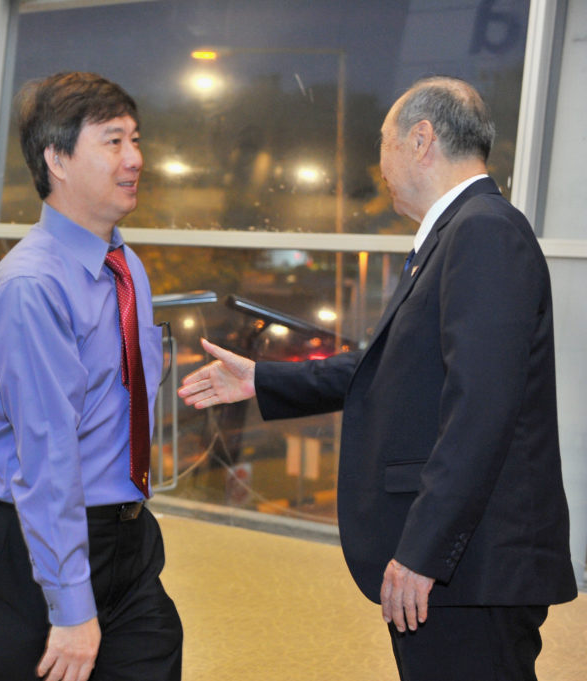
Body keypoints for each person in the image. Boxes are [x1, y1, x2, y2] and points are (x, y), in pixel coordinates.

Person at [178, 76, 578, 680]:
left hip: (472, 567)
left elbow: (480, 410)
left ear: (421, 140)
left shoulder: (483, 231)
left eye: (383, 144)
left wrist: (424, 552)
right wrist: (263, 379)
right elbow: (391, 368)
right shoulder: (456, 232)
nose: (379, 165)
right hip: (467, 565)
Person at [0, 71, 182, 681]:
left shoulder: (124, 264)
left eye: (135, 139)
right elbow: (47, 455)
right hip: (35, 541)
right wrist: (70, 605)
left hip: (126, 533)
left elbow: (119, 393)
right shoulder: (31, 287)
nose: (134, 158)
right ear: (56, 160)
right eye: (113, 141)